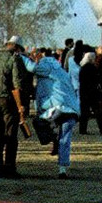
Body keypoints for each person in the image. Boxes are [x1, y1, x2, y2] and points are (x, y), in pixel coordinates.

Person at [22, 47, 81, 178]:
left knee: (39, 122)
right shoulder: (61, 71)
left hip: (58, 108)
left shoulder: (45, 66)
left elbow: (32, 68)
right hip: (72, 110)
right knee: (65, 139)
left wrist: (20, 57)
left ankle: (52, 138)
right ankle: (62, 169)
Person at [0, 35, 30, 178]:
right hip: (9, 101)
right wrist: (21, 105)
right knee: (10, 136)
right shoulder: (15, 59)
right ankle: (9, 169)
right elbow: (17, 84)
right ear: (16, 47)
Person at [78, 49, 102, 135]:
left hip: (83, 92)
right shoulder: (93, 68)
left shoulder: (82, 68)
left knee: (84, 112)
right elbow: (96, 80)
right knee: (97, 111)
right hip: (92, 93)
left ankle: (82, 129)